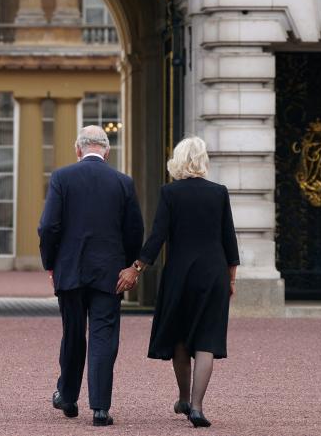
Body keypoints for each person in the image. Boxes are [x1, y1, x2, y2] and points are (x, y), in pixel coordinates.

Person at [116, 136, 240, 428]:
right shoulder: (219, 192)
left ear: (178, 161)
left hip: (180, 274)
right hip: (214, 272)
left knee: (181, 339)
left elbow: (158, 236)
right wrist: (231, 278)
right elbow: (229, 239)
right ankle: (196, 407)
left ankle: (184, 397)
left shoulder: (170, 193)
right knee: (207, 339)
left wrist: (137, 267)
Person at [39, 125, 145, 427]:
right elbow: (134, 230)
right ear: (107, 151)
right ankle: (100, 407)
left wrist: (51, 263)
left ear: (78, 149)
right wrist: (129, 267)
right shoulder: (123, 182)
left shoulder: (62, 177)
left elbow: (48, 227)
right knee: (103, 336)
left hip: (70, 269)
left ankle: (68, 396)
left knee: (73, 334)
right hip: (110, 272)